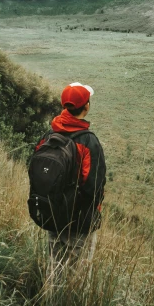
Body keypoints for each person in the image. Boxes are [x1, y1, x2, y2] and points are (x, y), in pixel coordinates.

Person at [47, 82, 106, 264]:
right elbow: (95, 186)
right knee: (77, 275)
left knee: (54, 267)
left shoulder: (49, 136)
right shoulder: (89, 142)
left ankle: (50, 293)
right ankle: (69, 294)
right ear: (86, 107)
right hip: (80, 222)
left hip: (52, 215)